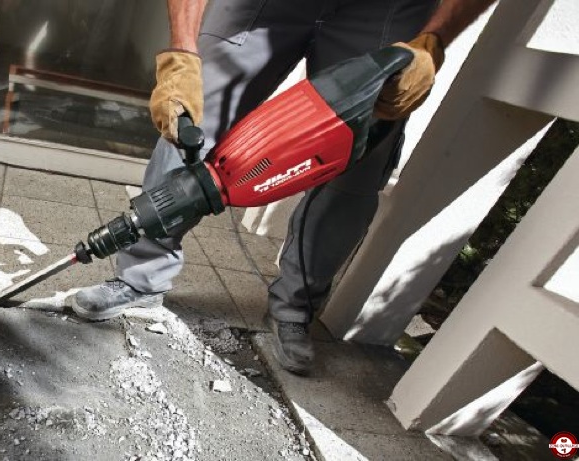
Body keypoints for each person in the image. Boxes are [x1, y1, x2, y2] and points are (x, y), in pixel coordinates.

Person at [70, 0, 496, 375]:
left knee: (359, 158)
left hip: (387, 8)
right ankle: (141, 278)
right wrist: (182, 52)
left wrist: (432, 42)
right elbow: (187, 74)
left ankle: (296, 306)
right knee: (191, 117)